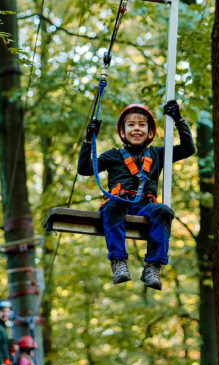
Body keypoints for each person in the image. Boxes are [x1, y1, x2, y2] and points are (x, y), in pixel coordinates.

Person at [77, 100, 195, 290]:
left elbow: (188, 149)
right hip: (120, 204)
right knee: (112, 206)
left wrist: (178, 120)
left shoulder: (158, 154)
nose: (136, 129)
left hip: (145, 206)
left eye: (142, 125)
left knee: (163, 211)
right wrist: (88, 140)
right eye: (131, 125)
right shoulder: (113, 156)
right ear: (123, 132)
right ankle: (118, 262)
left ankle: (152, 267)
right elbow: (84, 169)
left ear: (150, 132)